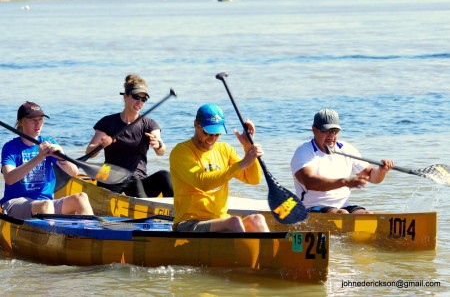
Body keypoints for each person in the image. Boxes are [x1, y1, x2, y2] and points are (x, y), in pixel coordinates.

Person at [170, 103, 269, 232]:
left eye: (217, 134)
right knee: (234, 222)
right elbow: (203, 182)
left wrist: (247, 147)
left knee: (257, 220)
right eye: (208, 133)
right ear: (196, 124)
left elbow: (253, 179)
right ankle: (240, 250)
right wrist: (241, 164)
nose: (212, 139)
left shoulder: (225, 150)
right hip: (189, 223)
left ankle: (268, 251)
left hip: (220, 219)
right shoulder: (181, 152)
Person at [290, 108, 395, 214]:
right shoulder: (304, 152)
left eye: (334, 131)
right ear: (314, 130)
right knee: (342, 214)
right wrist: (345, 182)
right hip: (311, 208)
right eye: (325, 131)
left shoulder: (346, 149)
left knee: (369, 215)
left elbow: (372, 177)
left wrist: (382, 170)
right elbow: (310, 182)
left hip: (344, 206)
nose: (331, 136)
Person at [1, 101, 94, 219]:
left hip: (46, 203)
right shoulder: (10, 147)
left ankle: (87, 235)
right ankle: (53, 236)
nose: (37, 124)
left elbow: (73, 172)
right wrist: (39, 157)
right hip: (15, 203)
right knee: (46, 205)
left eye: (40, 119)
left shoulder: (50, 142)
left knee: (81, 198)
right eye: (32, 120)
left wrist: (61, 156)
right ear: (20, 122)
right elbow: (9, 178)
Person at [85, 74, 173, 198]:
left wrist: (158, 144)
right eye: (136, 97)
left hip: (139, 180)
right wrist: (101, 145)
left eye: (143, 99)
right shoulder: (108, 122)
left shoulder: (149, 124)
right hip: (111, 178)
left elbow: (161, 152)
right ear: (125, 96)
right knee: (131, 180)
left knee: (164, 175)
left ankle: (176, 213)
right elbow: (89, 152)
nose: (139, 102)